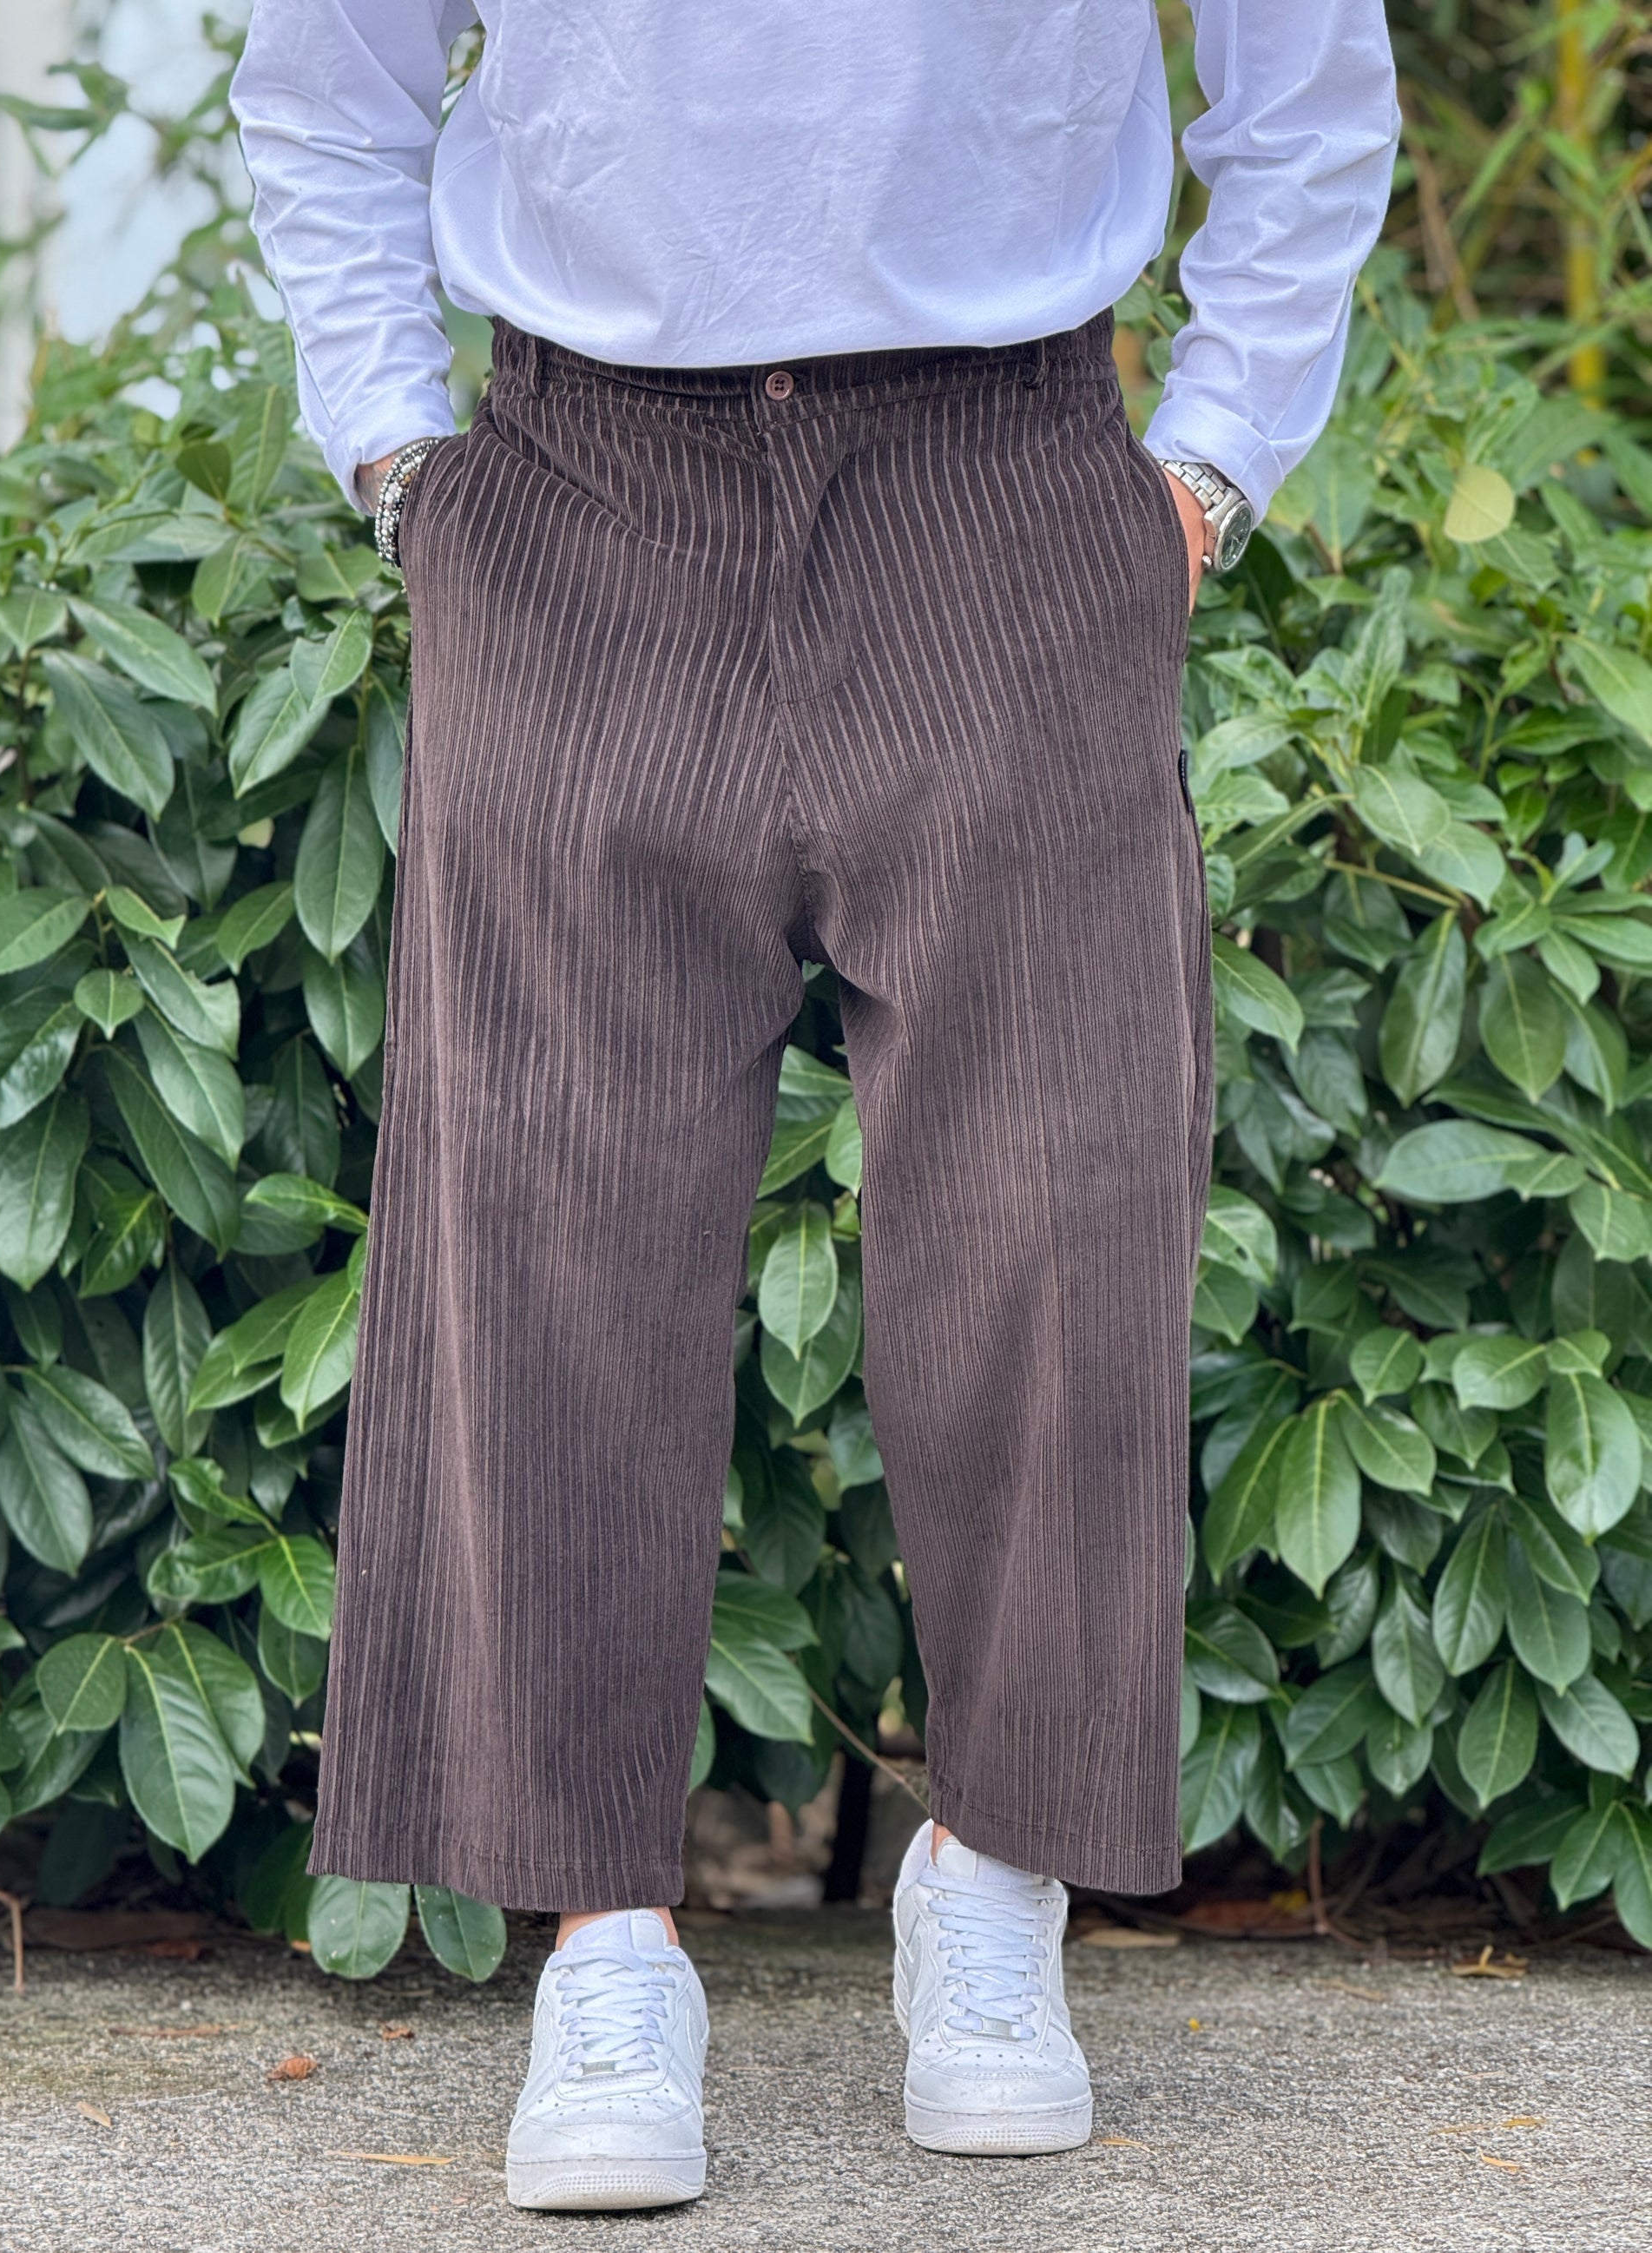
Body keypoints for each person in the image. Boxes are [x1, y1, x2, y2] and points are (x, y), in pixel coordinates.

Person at [231, 0, 1398, 2212]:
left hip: (1009, 477)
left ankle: (999, 1874)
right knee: (546, 1209)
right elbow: (327, 81)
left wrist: (1214, 463)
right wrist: (396, 456)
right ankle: (602, 1941)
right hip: (577, 492)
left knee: (1060, 1201)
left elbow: (1309, 80)